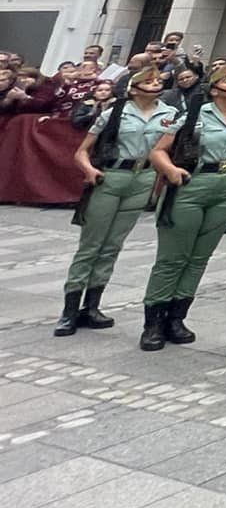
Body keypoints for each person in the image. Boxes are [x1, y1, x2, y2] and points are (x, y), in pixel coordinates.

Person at [54, 63, 180, 336]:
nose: (155, 84)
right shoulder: (115, 113)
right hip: (111, 175)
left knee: (113, 245)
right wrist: (89, 170)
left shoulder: (169, 114)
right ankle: (70, 309)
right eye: (148, 81)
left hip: (143, 177)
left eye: (158, 80)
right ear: (133, 89)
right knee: (91, 244)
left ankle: (92, 305)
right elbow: (82, 151)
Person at [141, 59, 226, 349]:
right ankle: (154, 321)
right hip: (191, 184)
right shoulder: (194, 114)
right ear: (214, 89)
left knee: (198, 257)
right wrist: (169, 170)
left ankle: (177, 317)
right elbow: (159, 151)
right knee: (172, 257)